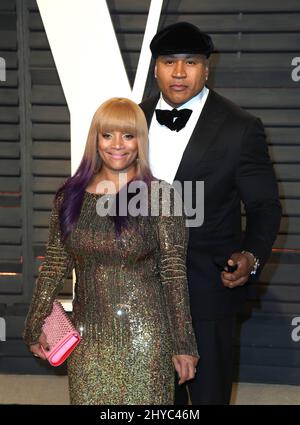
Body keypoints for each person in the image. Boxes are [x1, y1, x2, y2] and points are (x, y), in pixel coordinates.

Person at [140, 22, 282, 405]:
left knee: (206, 398)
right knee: (145, 398)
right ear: (156, 68)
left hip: (205, 287)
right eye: (170, 62)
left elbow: (265, 207)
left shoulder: (240, 128)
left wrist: (250, 257)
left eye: (191, 62)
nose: (180, 72)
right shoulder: (130, 121)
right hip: (137, 291)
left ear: (207, 68)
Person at [23, 97, 199, 405]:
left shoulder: (161, 195)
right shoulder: (70, 196)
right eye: (108, 135)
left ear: (139, 141)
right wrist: (35, 322)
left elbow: (174, 273)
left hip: (146, 337)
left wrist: (184, 344)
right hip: (87, 336)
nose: (118, 144)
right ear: (96, 139)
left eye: (128, 135)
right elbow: (55, 262)